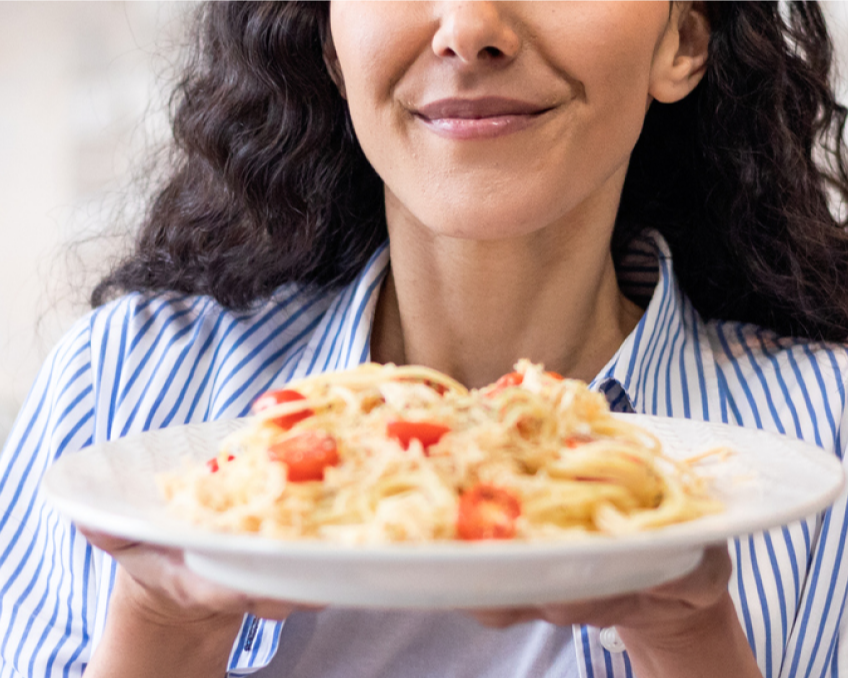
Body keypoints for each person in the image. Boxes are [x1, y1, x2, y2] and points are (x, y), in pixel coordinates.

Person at [2, 0, 848, 675]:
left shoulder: (827, 428)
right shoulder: (117, 378)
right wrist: (162, 628)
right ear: (333, 44)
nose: (470, 27)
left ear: (684, 40)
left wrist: (691, 645)